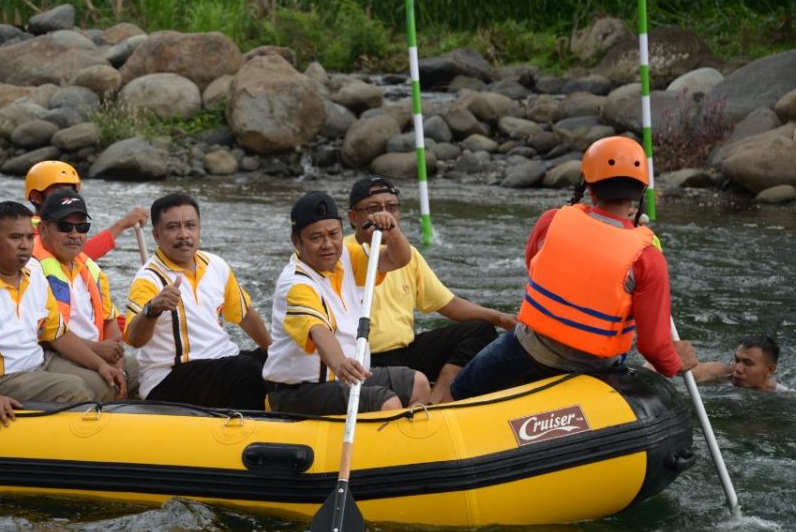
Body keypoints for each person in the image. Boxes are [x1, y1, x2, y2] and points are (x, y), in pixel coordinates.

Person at [450, 136, 697, 401]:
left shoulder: (552, 220)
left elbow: (534, 266)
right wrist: (674, 363)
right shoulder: (648, 258)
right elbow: (653, 347)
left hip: (529, 350)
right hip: (595, 370)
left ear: (588, 187)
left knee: (460, 390)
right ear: (640, 193)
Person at [0, 201, 126, 428]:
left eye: (28, 237)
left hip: (37, 364)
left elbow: (56, 334)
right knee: (74, 390)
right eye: (15, 238)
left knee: (103, 383)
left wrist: (100, 365)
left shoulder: (34, 272)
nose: (25, 245)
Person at [347, 176, 516, 403]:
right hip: (364, 359)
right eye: (374, 208)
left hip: (406, 351)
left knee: (480, 330)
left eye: (392, 207)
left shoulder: (408, 254)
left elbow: (448, 303)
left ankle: (437, 400)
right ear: (353, 217)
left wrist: (501, 318)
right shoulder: (342, 253)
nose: (385, 215)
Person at [265, 191, 430, 414]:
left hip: (347, 376)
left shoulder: (347, 257)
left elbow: (399, 259)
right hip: (299, 391)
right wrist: (341, 364)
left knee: (418, 383)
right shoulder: (295, 283)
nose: (328, 245)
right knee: (387, 403)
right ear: (296, 241)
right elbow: (318, 331)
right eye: (316, 238)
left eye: (334, 234)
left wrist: (392, 233)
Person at [123, 193, 272, 409]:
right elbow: (134, 339)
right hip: (169, 375)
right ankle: (248, 434)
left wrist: (274, 352)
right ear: (156, 235)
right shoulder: (148, 279)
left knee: (281, 358)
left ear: (199, 229)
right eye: (173, 227)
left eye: (190, 225)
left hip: (219, 360)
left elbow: (245, 315)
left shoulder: (216, 265)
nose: (184, 234)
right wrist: (152, 309)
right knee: (247, 372)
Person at [34, 188, 139, 397]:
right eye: (65, 226)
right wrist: (96, 352)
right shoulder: (31, 268)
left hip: (96, 351)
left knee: (151, 372)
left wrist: (117, 364)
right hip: (51, 354)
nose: (74, 234)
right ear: (43, 229)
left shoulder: (91, 268)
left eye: (81, 226)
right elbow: (43, 336)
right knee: (106, 387)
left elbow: (110, 322)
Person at [24, 160, 148, 261]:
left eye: (71, 192)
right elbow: (83, 253)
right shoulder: (26, 230)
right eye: (58, 191)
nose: (67, 198)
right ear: (36, 197)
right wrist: (122, 224)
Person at [680, 335, 782, 390]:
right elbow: (697, 370)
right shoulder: (723, 372)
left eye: (748, 363)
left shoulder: (781, 393)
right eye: (737, 360)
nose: (737, 369)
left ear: (770, 370)